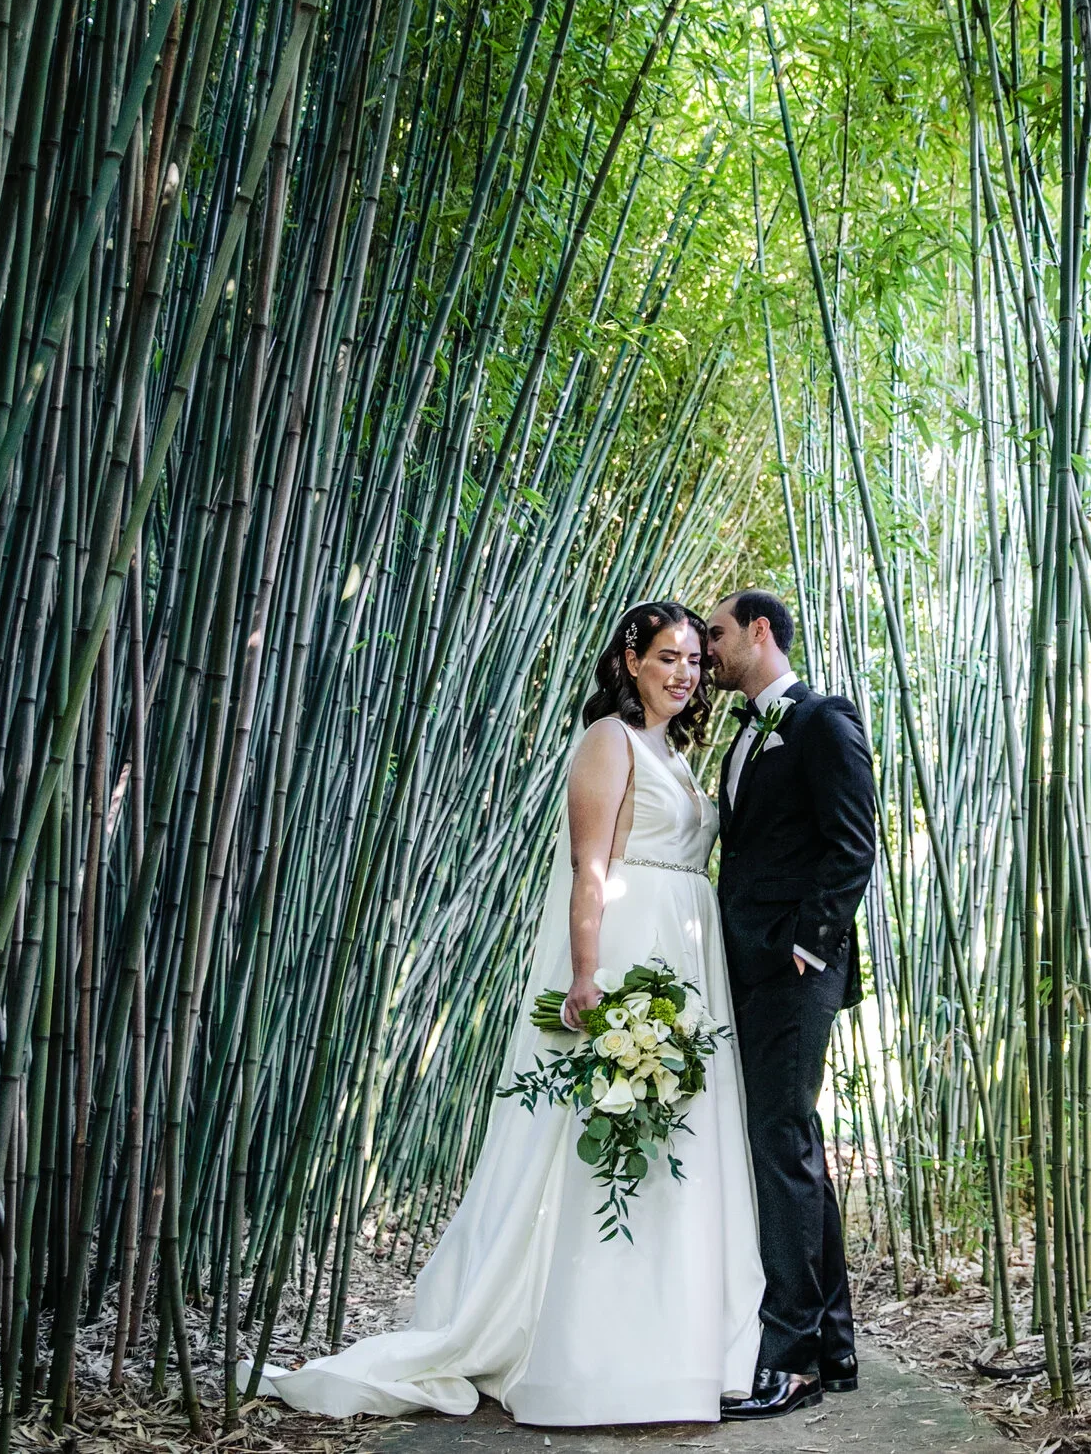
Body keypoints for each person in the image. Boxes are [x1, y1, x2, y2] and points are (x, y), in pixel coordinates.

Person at [270, 601, 762, 1425]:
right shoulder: (608, 740)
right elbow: (588, 866)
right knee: (602, 1139)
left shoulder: (674, 749)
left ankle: (675, 1345)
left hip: (685, 955)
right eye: (668, 657)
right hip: (627, 952)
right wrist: (585, 975)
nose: (684, 672)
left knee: (674, 1139)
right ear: (630, 659)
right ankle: (591, 1348)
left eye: (692, 660)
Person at [703, 588, 875, 1420]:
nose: (706, 647)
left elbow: (853, 842)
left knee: (780, 1142)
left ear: (759, 631)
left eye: (717, 631)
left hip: (794, 971)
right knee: (790, 1143)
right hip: (750, 968)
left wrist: (806, 944)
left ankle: (793, 1358)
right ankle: (832, 1342)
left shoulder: (820, 719)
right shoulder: (748, 729)